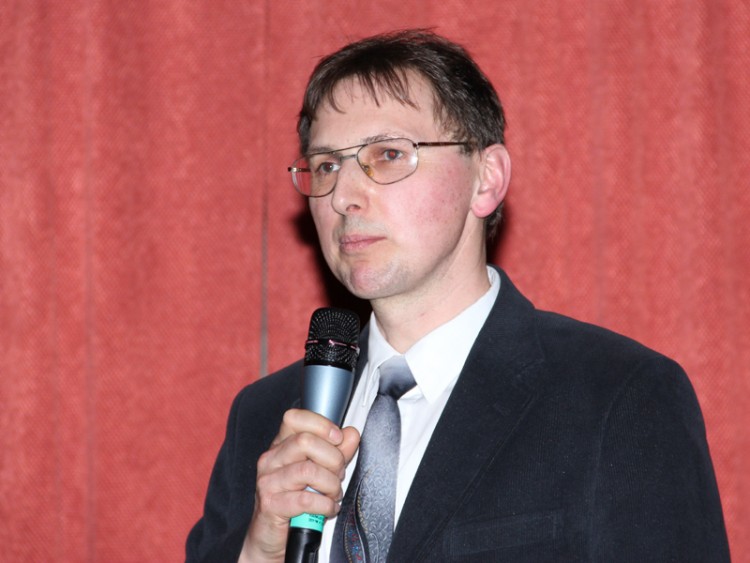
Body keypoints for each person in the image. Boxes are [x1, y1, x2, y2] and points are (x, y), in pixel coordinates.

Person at [186, 29, 729, 562]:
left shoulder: (619, 396)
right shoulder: (264, 417)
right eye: (327, 165)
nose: (344, 196)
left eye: (388, 154)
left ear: (486, 179)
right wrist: (258, 551)